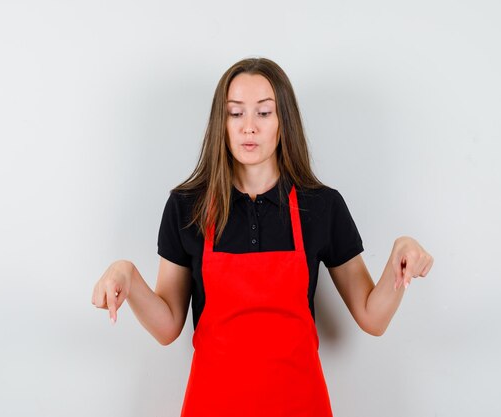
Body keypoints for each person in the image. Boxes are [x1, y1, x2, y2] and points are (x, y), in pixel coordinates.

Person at [91, 57, 434, 416]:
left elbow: (372, 317)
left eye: (264, 113)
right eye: (235, 113)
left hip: (301, 405)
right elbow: (167, 327)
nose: (248, 127)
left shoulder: (321, 206)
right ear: (220, 124)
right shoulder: (186, 206)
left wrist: (399, 258)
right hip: (213, 405)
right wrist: (126, 273)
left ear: (283, 122)